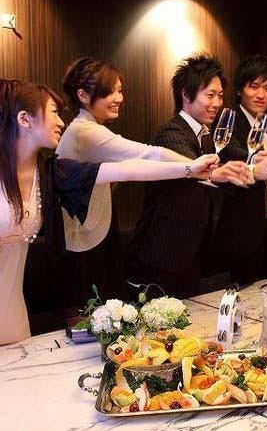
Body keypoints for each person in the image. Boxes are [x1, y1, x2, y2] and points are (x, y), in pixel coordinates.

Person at [0, 79, 235, 345]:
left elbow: (127, 169)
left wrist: (189, 169)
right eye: (53, 112)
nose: (61, 122)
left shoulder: (52, 173)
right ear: (24, 119)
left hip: (14, 315)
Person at [56, 57, 199, 306]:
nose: (119, 98)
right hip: (80, 239)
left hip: (94, 230)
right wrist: (195, 168)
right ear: (82, 95)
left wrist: (194, 169)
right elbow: (147, 155)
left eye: (120, 91)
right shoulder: (85, 131)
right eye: (109, 92)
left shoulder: (88, 127)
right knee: (90, 312)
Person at [128, 54, 260, 296]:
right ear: (186, 95)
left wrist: (253, 167)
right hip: (162, 253)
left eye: (220, 96)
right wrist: (220, 172)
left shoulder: (207, 136)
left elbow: (229, 163)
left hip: (193, 252)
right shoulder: (171, 132)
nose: (217, 103)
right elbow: (192, 167)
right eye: (210, 95)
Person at [214, 54, 267, 284]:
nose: (260, 95)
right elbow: (230, 150)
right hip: (241, 230)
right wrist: (256, 158)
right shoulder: (228, 120)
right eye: (253, 86)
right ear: (239, 90)